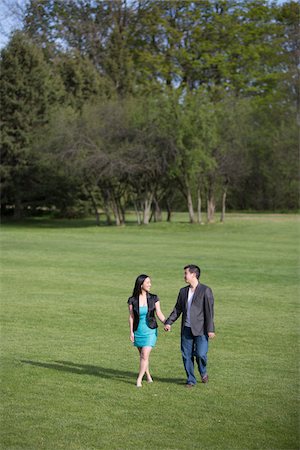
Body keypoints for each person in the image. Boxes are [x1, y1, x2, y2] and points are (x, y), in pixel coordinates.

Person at [164, 264, 215, 387]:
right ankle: (191, 380)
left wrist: (210, 329)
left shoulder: (205, 290)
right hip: (186, 329)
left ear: (193, 274)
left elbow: (209, 311)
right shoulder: (183, 291)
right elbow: (178, 309)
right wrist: (169, 322)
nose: (184, 276)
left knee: (201, 354)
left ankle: (203, 372)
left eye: (186, 273)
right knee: (186, 356)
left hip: (201, 330)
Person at [128, 274, 166, 387]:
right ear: (141, 284)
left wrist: (166, 322)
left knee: (144, 355)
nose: (150, 284)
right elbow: (131, 317)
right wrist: (131, 332)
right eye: (147, 282)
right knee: (143, 357)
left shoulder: (154, 298)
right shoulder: (132, 300)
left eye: (150, 282)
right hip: (138, 331)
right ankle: (148, 375)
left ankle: (139, 379)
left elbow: (158, 312)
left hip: (150, 331)